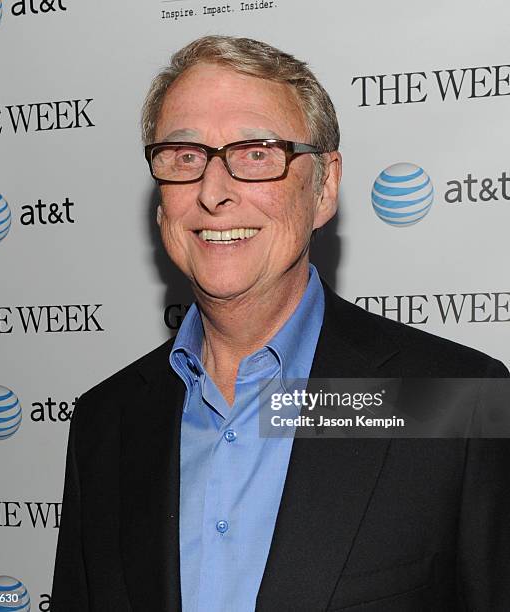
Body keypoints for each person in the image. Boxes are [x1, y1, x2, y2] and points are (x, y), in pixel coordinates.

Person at [51, 36, 510, 611]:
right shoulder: (106, 422)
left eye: (257, 152)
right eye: (186, 156)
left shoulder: (454, 402)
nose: (213, 192)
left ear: (324, 187)